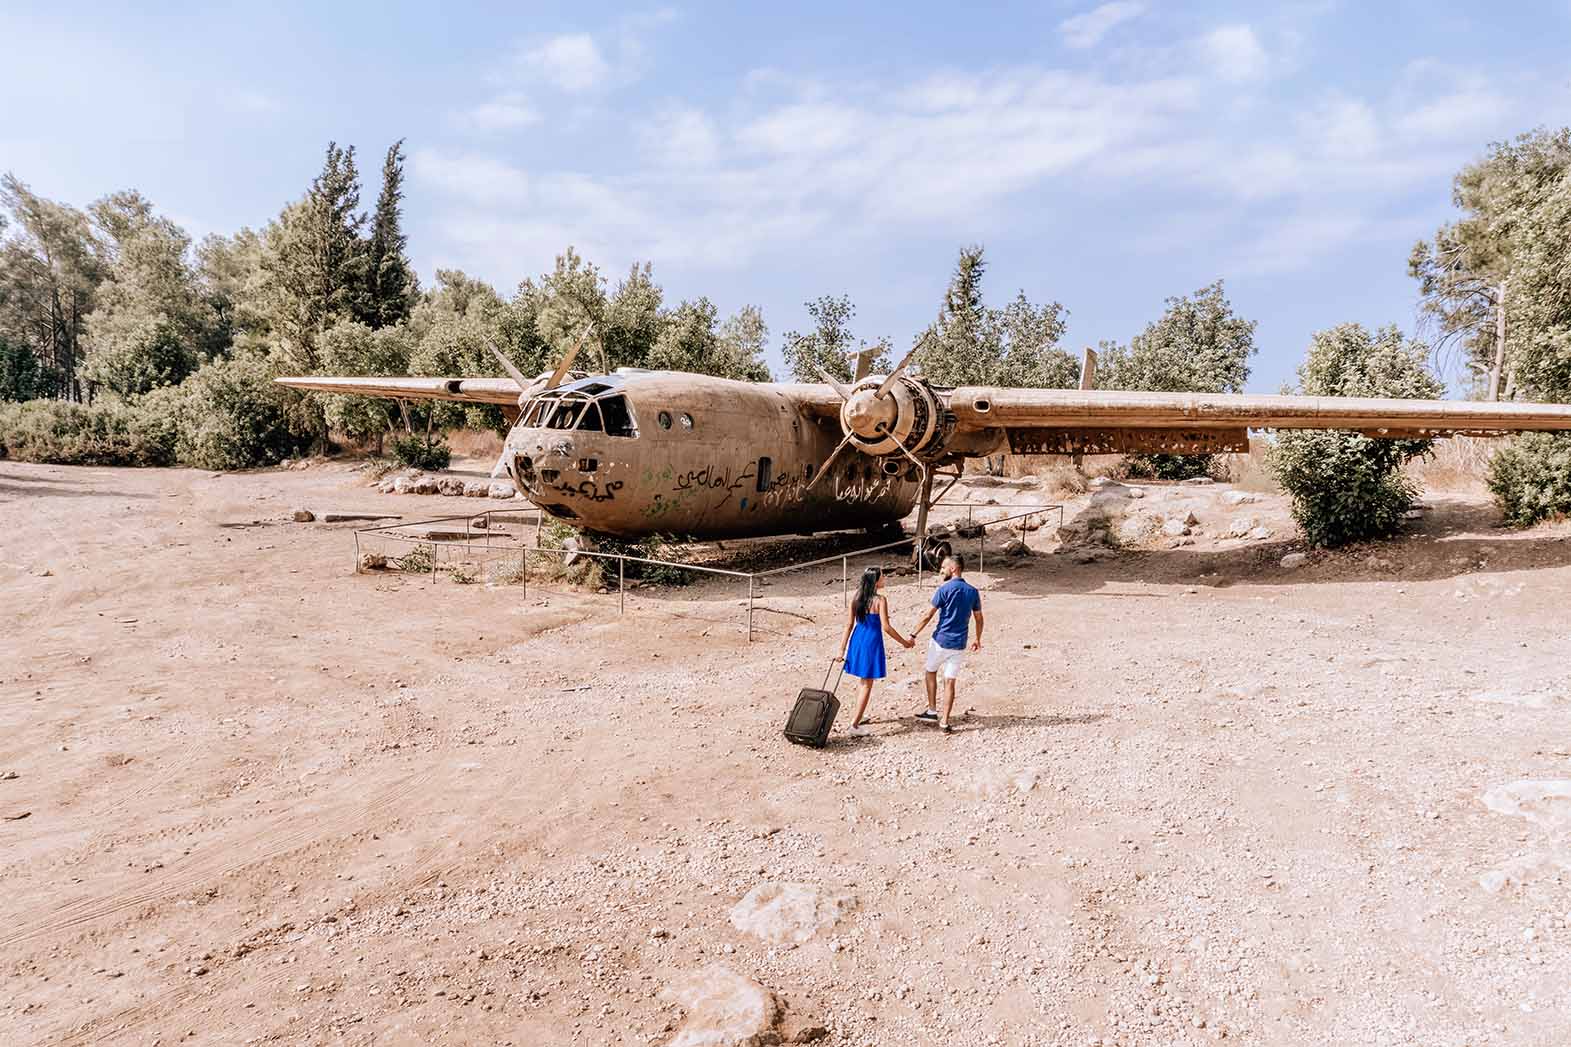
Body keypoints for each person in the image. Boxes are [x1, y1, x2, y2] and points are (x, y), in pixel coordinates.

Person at [909, 553, 984, 733]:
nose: (941, 570)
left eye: (943, 567)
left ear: (953, 568)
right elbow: (979, 618)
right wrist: (977, 639)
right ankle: (944, 721)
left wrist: (913, 634)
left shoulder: (944, 589)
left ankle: (932, 710)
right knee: (950, 682)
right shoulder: (972, 591)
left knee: (930, 671)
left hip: (940, 641)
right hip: (959, 643)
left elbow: (928, 615)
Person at [836, 566, 915, 735]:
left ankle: (858, 714)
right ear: (875, 581)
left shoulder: (856, 598)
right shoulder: (880, 600)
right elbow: (886, 627)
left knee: (863, 682)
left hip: (857, 640)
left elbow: (849, 625)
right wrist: (904, 642)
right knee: (867, 684)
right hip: (871, 642)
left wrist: (841, 650)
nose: (884, 578)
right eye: (882, 576)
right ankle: (854, 725)